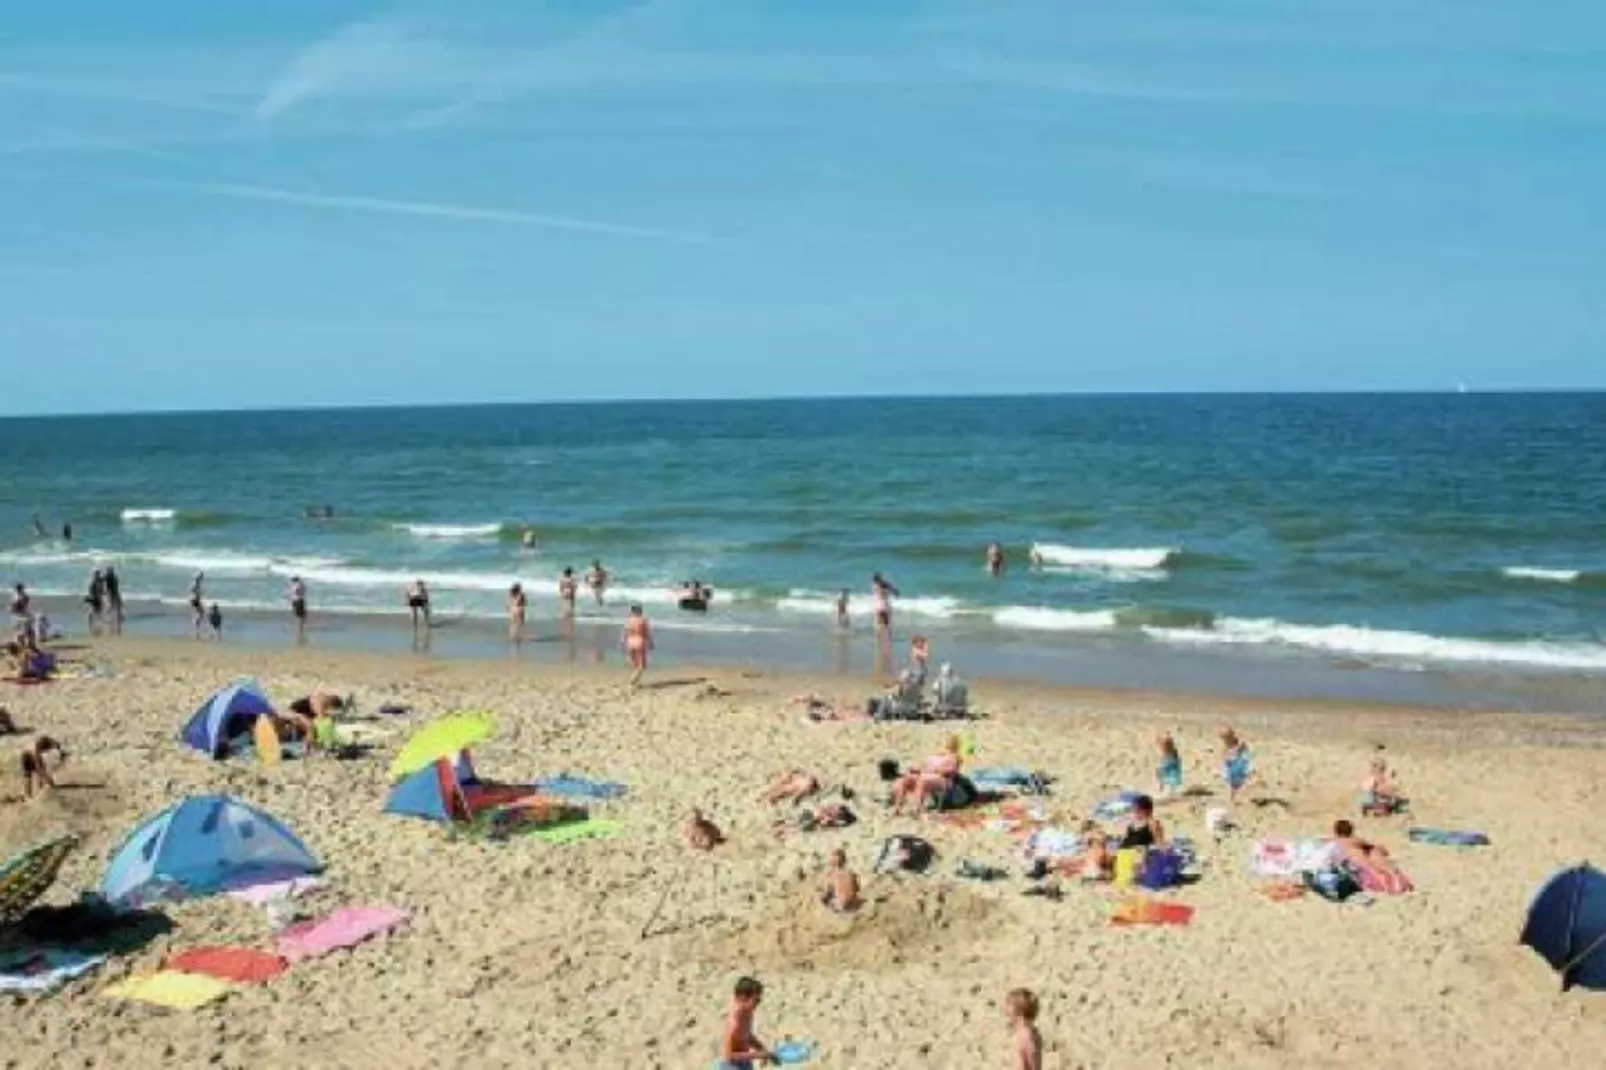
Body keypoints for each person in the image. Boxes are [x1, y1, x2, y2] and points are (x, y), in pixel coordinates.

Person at [891, 735, 965, 815]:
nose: (944, 745)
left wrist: (936, 769)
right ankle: (897, 808)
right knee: (906, 779)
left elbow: (952, 770)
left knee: (922, 780)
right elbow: (923, 767)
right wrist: (916, 769)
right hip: (927, 775)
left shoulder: (954, 756)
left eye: (946, 742)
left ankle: (918, 808)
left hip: (943, 780)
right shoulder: (935, 756)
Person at [718, 976, 774, 1069]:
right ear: (743, 998)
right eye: (756, 1000)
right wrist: (758, 1055)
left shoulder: (747, 1013)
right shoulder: (733, 1023)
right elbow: (729, 1055)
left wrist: (762, 1049)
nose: (758, 1003)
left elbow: (746, 1036)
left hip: (745, 1062)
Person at [1006, 988, 1043, 1070]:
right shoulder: (1034, 1033)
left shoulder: (1022, 1035)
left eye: (1009, 1005)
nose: (1006, 1011)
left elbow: (1021, 1065)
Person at [20, 735, 66, 799]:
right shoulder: (37, 747)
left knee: (29, 776)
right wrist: (48, 779)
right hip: (28, 755)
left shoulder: (46, 742)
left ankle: (33, 793)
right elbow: (39, 768)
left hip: (26, 753)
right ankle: (36, 793)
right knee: (31, 775)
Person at [822, 847, 861, 914]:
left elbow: (827, 893)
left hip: (841, 906)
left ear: (832, 862)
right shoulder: (851, 873)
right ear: (845, 861)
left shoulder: (832, 875)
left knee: (821, 899)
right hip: (854, 905)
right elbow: (857, 889)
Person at [621, 604, 653, 687]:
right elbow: (646, 633)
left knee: (635, 664)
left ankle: (635, 681)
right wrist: (650, 642)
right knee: (641, 665)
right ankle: (632, 680)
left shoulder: (629, 621)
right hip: (640, 642)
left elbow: (624, 633)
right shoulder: (643, 620)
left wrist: (623, 642)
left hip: (630, 642)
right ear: (640, 611)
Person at [1221, 726, 1252, 803]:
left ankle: (1239, 796)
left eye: (1227, 738)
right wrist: (1226, 760)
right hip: (1231, 765)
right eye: (1224, 739)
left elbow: (1245, 752)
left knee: (1240, 782)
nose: (1226, 741)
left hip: (1239, 764)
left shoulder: (1239, 743)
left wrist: (1240, 751)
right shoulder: (1227, 746)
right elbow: (1225, 754)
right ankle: (1233, 797)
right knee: (1232, 783)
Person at [1156, 730, 1183, 797]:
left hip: (1171, 765)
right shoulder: (1169, 753)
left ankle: (1169, 790)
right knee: (1162, 774)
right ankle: (1164, 788)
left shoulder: (1173, 752)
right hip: (1168, 764)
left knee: (1171, 778)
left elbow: (1176, 761)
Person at [84, 569, 105, 636]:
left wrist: (89, 598)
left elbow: (95, 592)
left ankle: (96, 628)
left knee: (94, 615)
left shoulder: (96, 582)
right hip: (97, 600)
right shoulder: (98, 582)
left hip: (96, 600)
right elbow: (99, 592)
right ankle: (97, 628)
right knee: (96, 614)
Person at [103, 566, 123, 635]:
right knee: (115, 608)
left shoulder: (108, 577)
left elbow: (106, 587)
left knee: (112, 608)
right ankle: (114, 623)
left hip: (112, 594)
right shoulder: (113, 577)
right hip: (114, 594)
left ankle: (110, 621)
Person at [288, 576, 308, 643]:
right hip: (299, 601)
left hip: (294, 601)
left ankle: (298, 632)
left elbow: (296, 592)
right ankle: (299, 633)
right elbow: (300, 592)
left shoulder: (293, 586)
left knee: (298, 617)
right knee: (301, 618)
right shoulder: (299, 585)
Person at [188, 573, 205, 639]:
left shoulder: (196, 583)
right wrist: (196, 594)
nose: (202, 579)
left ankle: (196, 628)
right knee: (200, 613)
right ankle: (196, 629)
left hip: (195, 599)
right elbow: (192, 590)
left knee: (200, 613)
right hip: (195, 600)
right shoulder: (195, 583)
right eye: (201, 577)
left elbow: (191, 589)